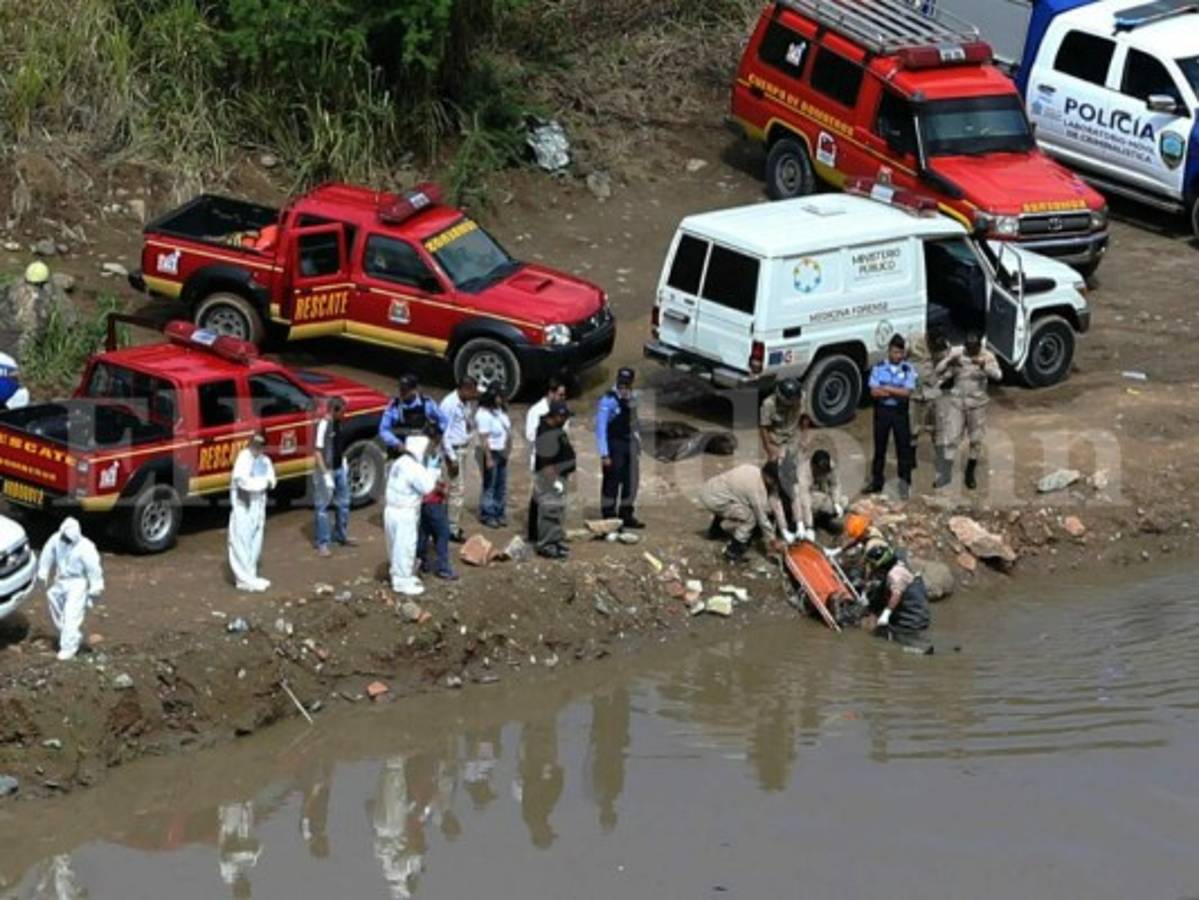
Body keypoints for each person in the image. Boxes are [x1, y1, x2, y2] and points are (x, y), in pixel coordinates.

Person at [935, 333, 1003, 490]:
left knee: (975, 439)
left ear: (979, 346)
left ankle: (970, 473)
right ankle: (946, 474)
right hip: (957, 402)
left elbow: (999, 375)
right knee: (951, 437)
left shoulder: (987, 356)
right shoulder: (958, 354)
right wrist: (948, 361)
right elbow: (940, 372)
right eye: (968, 348)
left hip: (977, 404)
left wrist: (983, 366)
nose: (970, 351)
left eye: (974, 348)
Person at [37, 517, 104, 661]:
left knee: (71, 614)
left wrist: (96, 586)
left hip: (77, 583)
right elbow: (47, 553)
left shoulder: (86, 547)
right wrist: (43, 572)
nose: (66, 541)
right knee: (53, 600)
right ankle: (71, 635)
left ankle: (69, 647)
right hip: (61, 579)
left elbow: (94, 569)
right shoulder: (56, 539)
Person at [699, 461, 787, 562]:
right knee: (750, 518)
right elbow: (762, 519)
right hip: (715, 500)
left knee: (737, 500)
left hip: (711, 489)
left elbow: (776, 504)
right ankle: (733, 551)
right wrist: (773, 540)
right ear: (769, 478)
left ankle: (715, 531)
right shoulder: (757, 491)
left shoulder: (752, 470)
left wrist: (784, 529)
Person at [385, 435, 439, 596]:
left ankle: (398, 574)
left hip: (391, 510)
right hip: (405, 512)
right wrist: (433, 469)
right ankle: (402, 582)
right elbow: (428, 487)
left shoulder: (399, 462)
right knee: (405, 547)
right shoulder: (414, 468)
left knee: (394, 546)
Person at [866, 334, 917, 499]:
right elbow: (874, 392)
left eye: (900, 353)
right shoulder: (879, 367)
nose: (897, 356)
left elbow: (907, 393)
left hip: (900, 413)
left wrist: (886, 388)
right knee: (879, 449)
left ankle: (904, 485)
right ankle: (877, 482)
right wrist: (896, 390)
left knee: (903, 449)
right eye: (895, 352)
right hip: (882, 412)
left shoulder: (908, 369)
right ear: (889, 351)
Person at [595, 367, 644, 529]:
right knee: (612, 481)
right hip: (613, 444)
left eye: (627, 384)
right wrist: (604, 454)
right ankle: (609, 514)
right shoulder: (608, 400)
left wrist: (638, 444)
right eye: (621, 384)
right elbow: (601, 428)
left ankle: (626, 513)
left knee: (631, 480)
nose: (624, 387)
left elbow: (635, 423)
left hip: (629, 443)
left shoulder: (632, 398)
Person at [229, 432, 276, 592]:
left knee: (255, 541)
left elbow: (272, 480)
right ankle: (242, 579)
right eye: (254, 445)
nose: (256, 448)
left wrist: (263, 483)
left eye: (260, 446)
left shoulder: (265, 461)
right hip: (243, 505)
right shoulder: (243, 458)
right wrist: (262, 483)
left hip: (258, 505)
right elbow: (243, 482)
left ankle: (250, 574)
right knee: (240, 541)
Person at [525, 377, 568, 541]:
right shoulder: (537, 411)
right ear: (550, 393)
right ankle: (535, 533)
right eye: (560, 395)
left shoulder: (561, 409)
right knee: (539, 498)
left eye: (564, 395)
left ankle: (553, 533)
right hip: (543, 460)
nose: (562, 398)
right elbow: (531, 436)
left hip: (558, 460)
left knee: (555, 499)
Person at [533, 401, 576, 559]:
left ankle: (555, 540)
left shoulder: (556, 428)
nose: (565, 420)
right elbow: (546, 463)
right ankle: (545, 544)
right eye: (563, 417)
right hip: (549, 478)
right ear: (555, 416)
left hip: (560, 475)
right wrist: (554, 481)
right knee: (549, 511)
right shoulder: (545, 433)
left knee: (558, 511)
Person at [313, 397, 355, 557]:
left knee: (343, 503)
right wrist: (325, 475)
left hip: (338, 468)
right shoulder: (323, 425)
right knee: (322, 507)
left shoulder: (339, 423)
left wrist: (343, 461)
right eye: (342, 411)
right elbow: (317, 452)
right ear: (334, 410)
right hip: (327, 470)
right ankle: (322, 542)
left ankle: (341, 535)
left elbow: (338, 445)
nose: (345, 414)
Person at [438, 376, 479, 542]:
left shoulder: (465, 403)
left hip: (462, 449)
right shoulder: (449, 404)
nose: (474, 395)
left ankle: (448, 525)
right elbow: (444, 433)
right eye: (473, 391)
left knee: (454, 490)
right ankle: (451, 529)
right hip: (452, 452)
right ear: (465, 388)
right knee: (455, 490)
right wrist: (451, 458)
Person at [863, 539, 930, 639]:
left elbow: (896, 595)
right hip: (908, 612)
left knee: (891, 636)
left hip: (912, 618)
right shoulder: (895, 562)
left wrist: (886, 614)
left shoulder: (895, 574)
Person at [417, 425, 457, 581]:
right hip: (431, 499)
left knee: (424, 531)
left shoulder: (428, 455)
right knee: (443, 532)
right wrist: (441, 490)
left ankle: (421, 561)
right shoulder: (425, 457)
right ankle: (443, 567)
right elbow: (427, 481)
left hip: (426, 500)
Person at [786, 449, 846, 541]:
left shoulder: (830, 466)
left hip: (819, 494)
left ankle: (822, 520)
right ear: (813, 466)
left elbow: (835, 484)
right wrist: (809, 526)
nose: (823, 473)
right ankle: (802, 522)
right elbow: (804, 502)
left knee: (843, 501)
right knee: (816, 502)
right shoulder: (802, 474)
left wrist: (836, 502)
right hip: (801, 500)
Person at [909, 330, 948, 466]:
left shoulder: (943, 348)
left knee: (938, 427)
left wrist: (941, 380)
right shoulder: (913, 340)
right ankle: (911, 459)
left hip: (933, 393)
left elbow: (948, 365)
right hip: (915, 394)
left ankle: (941, 458)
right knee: (912, 428)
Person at [475, 385, 512, 528]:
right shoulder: (483, 414)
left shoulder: (500, 411)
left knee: (501, 485)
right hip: (492, 452)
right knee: (490, 484)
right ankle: (488, 513)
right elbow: (484, 439)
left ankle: (499, 512)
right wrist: (488, 457)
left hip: (502, 451)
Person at [378, 374, 446, 452]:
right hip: (401, 448)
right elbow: (383, 429)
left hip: (423, 447)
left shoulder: (426, 403)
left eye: (405, 390)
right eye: (400, 389)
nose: (401, 392)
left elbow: (443, 420)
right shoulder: (394, 406)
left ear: (414, 390)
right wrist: (396, 443)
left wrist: (437, 435)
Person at [758, 377, 804, 462]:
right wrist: (768, 446)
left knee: (792, 463)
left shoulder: (801, 398)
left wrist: (804, 436)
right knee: (774, 465)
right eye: (792, 401)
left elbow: (805, 417)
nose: (795, 402)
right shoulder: (769, 404)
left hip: (793, 438)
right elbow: (764, 427)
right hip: (775, 440)